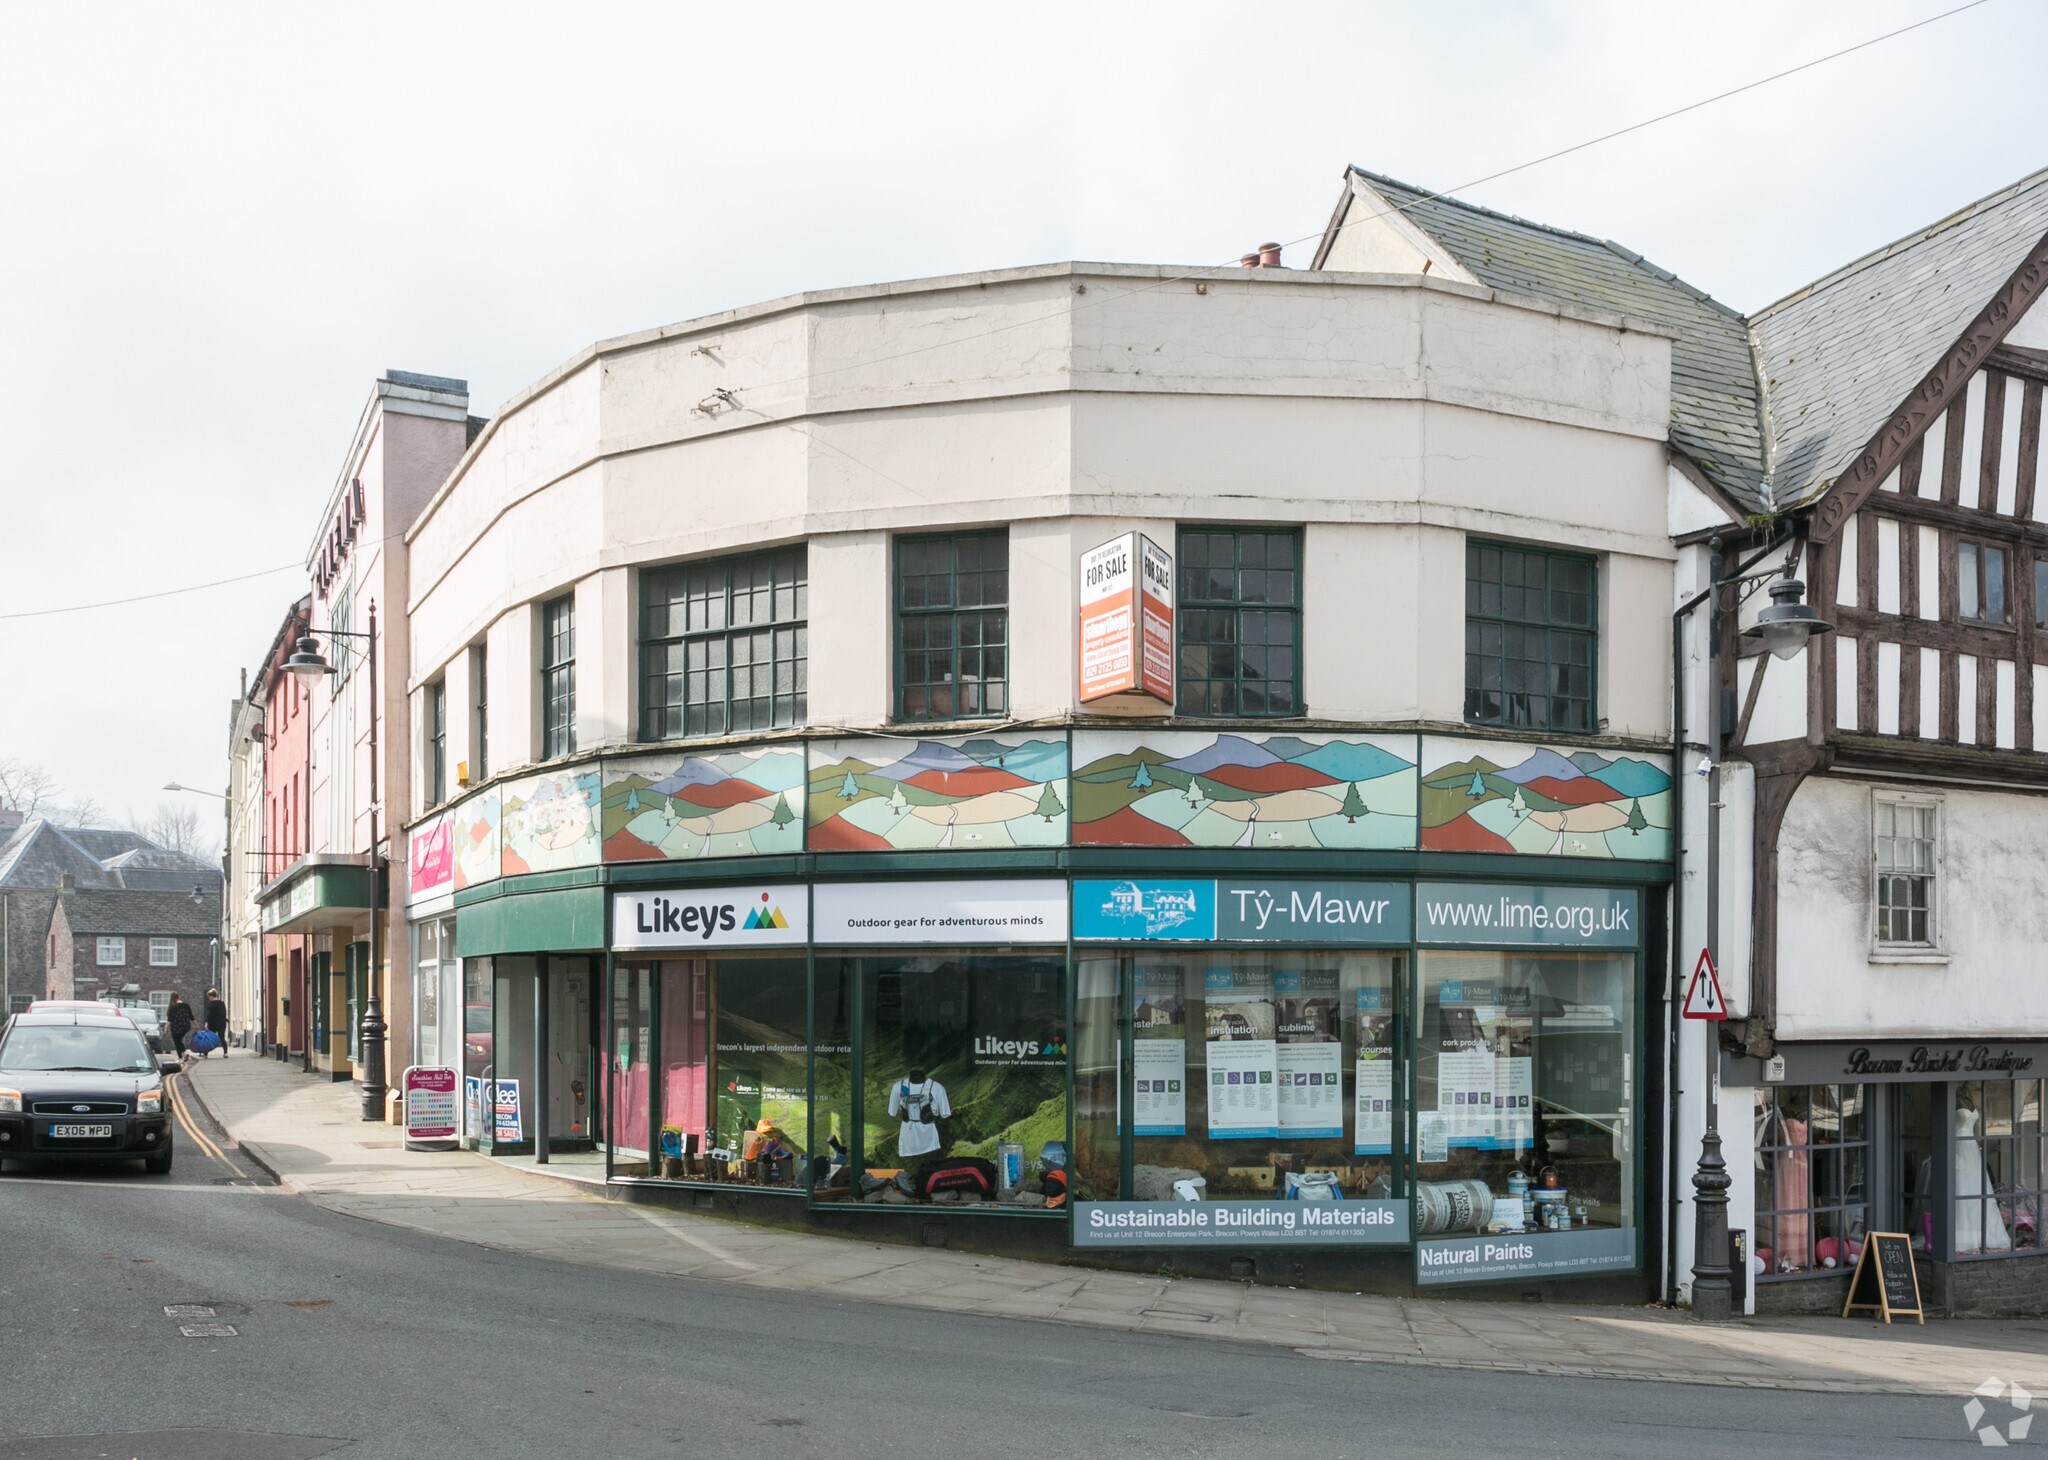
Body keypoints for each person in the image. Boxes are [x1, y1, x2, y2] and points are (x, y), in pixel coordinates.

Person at [166, 992, 194, 1058]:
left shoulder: (172, 1007)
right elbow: (191, 1017)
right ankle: (182, 1055)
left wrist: (166, 1028)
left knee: (177, 1041)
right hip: (185, 1026)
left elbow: (169, 1020)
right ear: (178, 997)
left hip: (176, 1027)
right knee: (178, 1041)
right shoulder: (186, 1005)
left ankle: (183, 1054)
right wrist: (196, 1025)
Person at [203, 988, 229, 1059]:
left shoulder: (211, 1004)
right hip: (222, 1022)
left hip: (213, 1023)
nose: (209, 998)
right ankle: (225, 1053)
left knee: (209, 1038)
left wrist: (206, 1023)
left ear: (211, 996)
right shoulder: (222, 1003)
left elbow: (210, 1015)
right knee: (222, 1038)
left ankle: (205, 1054)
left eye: (209, 997)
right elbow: (224, 1013)